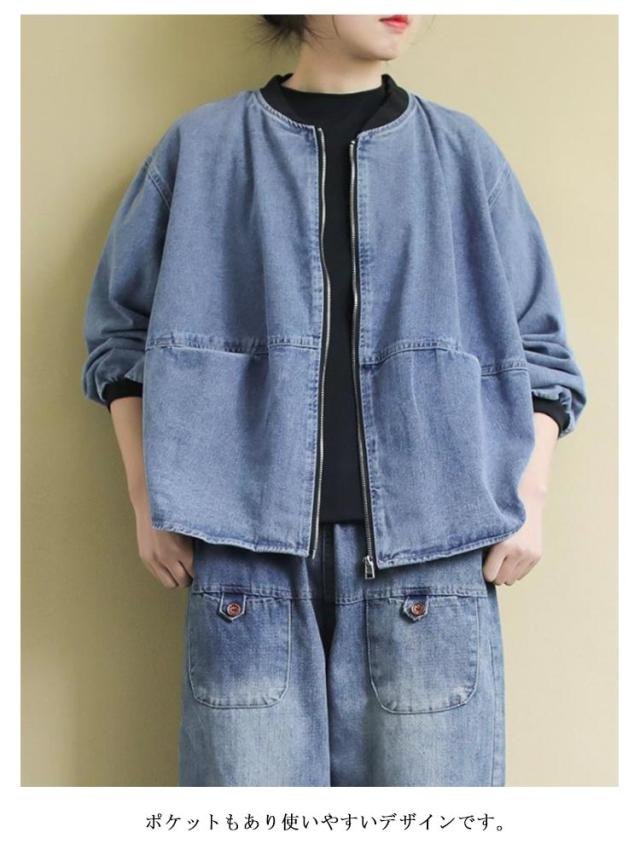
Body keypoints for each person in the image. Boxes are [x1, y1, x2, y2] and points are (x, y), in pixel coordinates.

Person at [80, 15, 587, 786]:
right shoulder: (203, 148)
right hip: (241, 554)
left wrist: (531, 496)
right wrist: (147, 496)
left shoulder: (462, 154)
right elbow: (121, 339)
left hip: (434, 557)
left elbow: (542, 349)